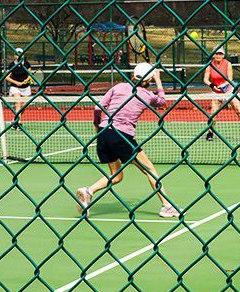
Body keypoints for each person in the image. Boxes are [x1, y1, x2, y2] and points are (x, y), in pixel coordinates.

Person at [76, 62, 179, 219]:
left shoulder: (118, 87)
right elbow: (162, 101)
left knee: (117, 176)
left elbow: (98, 108)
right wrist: (159, 80)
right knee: (150, 169)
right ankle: (167, 206)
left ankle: (88, 191)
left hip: (104, 134)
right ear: (150, 79)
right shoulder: (147, 95)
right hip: (122, 136)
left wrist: (98, 127)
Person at [203, 47, 240, 141]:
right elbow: (205, 79)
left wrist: (223, 86)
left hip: (228, 91)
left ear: (223, 55)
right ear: (213, 55)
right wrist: (212, 86)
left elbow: (230, 78)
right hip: (216, 92)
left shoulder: (228, 64)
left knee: (239, 109)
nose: (218, 56)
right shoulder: (209, 66)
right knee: (213, 114)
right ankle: (210, 133)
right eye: (216, 54)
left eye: (220, 54)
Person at [4, 47, 33, 128]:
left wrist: (26, 80)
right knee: (18, 103)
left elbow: (30, 75)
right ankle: (19, 123)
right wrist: (16, 82)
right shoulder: (11, 65)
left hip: (26, 87)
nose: (18, 56)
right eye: (17, 54)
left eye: (20, 54)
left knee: (24, 106)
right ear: (14, 55)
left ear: (23, 55)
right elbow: (6, 77)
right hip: (15, 87)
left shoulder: (27, 64)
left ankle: (14, 120)